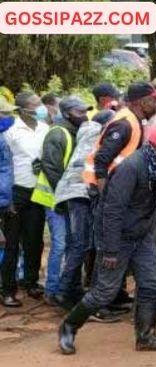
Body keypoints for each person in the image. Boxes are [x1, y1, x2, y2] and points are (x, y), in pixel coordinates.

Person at [57, 126, 156, 354]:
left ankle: (146, 336)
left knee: (151, 285)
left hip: (141, 235)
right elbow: (112, 211)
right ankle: (69, 326)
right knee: (104, 292)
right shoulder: (131, 168)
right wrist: (109, 250)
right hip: (119, 238)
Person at [83, 81, 156, 316]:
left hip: (120, 193)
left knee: (115, 248)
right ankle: (98, 305)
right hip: (109, 195)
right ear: (140, 102)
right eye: (153, 99)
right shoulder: (125, 124)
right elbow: (101, 160)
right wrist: (107, 193)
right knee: (107, 247)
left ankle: (112, 298)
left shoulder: (134, 121)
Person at [53, 110, 114, 310]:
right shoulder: (99, 138)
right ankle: (63, 292)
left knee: (76, 244)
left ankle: (72, 290)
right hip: (80, 192)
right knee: (81, 244)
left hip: (68, 192)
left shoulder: (85, 133)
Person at [36, 96, 92, 305]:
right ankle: (52, 290)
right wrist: (64, 194)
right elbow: (50, 167)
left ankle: (68, 289)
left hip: (65, 199)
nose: (84, 115)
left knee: (72, 244)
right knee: (60, 244)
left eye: (85, 111)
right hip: (54, 198)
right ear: (68, 113)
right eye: (80, 112)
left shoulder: (75, 132)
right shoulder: (58, 133)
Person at [3, 92, 50, 305]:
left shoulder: (44, 128)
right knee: (12, 243)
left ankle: (30, 282)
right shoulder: (11, 131)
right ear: (22, 109)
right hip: (16, 191)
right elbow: (5, 165)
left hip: (37, 190)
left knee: (34, 240)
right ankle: (7, 289)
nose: (40, 107)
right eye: (35, 104)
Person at [0, 99, 15, 305]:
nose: (8, 118)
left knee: (6, 244)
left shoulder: (3, 137)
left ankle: (6, 289)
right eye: (4, 114)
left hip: (4, 200)